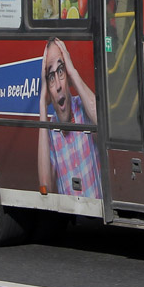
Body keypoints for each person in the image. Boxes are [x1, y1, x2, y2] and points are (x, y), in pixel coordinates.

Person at [37, 37, 102, 199]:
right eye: (51, 77)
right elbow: (45, 184)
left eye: (61, 71)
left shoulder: (83, 107)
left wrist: (73, 72)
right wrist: (42, 104)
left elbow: (105, 123)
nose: (58, 85)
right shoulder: (50, 130)